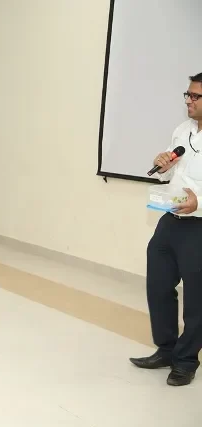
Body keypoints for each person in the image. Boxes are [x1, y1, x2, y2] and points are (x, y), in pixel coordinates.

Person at [129, 72, 202, 387]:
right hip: (170, 219)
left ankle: (186, 361)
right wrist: (163, 167)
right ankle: (166, 350)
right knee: (158, 286)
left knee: (197, 299)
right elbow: (171, 174)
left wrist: (199, 202)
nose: (188, 101)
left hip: (199, 225)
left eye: (195, 96)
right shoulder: (182, 130)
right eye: (188, 95)